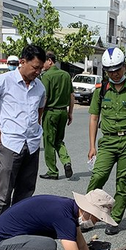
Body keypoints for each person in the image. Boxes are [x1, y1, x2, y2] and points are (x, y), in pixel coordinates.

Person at [0, 44, 47, 222]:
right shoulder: (3, 80)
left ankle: (17, 225)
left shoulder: (39, 86)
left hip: (31, 144)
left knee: (26, 189)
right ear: (22, 62)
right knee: (4, 190)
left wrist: (36, 127)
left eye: (40, 68)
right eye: (35, 67)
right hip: (11, 142)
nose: (38, 72)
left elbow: (40, 108)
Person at [87, 47, 126, 235]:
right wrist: (92, 145)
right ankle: (87, 214)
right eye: (110, 71)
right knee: (98, 175)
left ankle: (114, 219)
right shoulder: (101, 90)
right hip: (108, 141)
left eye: (117, 70)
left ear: (124, 67)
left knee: (123, 182)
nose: (114, 74)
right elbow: (94, 118)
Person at [39, 51, 74, 180]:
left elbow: (45, 97)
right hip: (63, 112)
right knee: (59, 140)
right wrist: (70, 112)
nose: (42, 65)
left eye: (44, 62)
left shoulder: (47, 76)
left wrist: (39, 115)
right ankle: (66, 161)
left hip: (51, 112)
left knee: (49, 142)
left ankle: (52, 171)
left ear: (50, 61)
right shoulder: (66, 75)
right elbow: (72, 95)